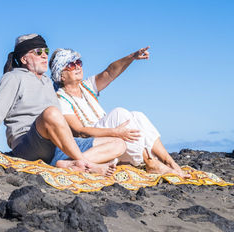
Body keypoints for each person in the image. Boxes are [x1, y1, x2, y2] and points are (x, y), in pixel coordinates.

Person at [0, 34, 126, 176]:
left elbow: (96, 79)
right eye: (38, 51)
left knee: (119, 143)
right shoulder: (13, 78)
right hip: (28, 144)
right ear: (25, 58)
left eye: (46, 51)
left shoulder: (48, 83)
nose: (44, 55)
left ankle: (71, 163)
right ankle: (87, 165)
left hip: (55, 146)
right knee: (52, 113)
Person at [49, 47, 189, 177]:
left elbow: (109, 72)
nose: (78, 67)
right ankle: (150, 162)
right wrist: (115, 132)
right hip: (91, 142)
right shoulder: (60, 99)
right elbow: (80, 131)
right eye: (71, 65)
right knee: (119, 113)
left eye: (78, 62)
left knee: (137, 116)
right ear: (61, 75)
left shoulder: (87, 86)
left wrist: (132, 57)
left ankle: (170, 162)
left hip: (109, 135)